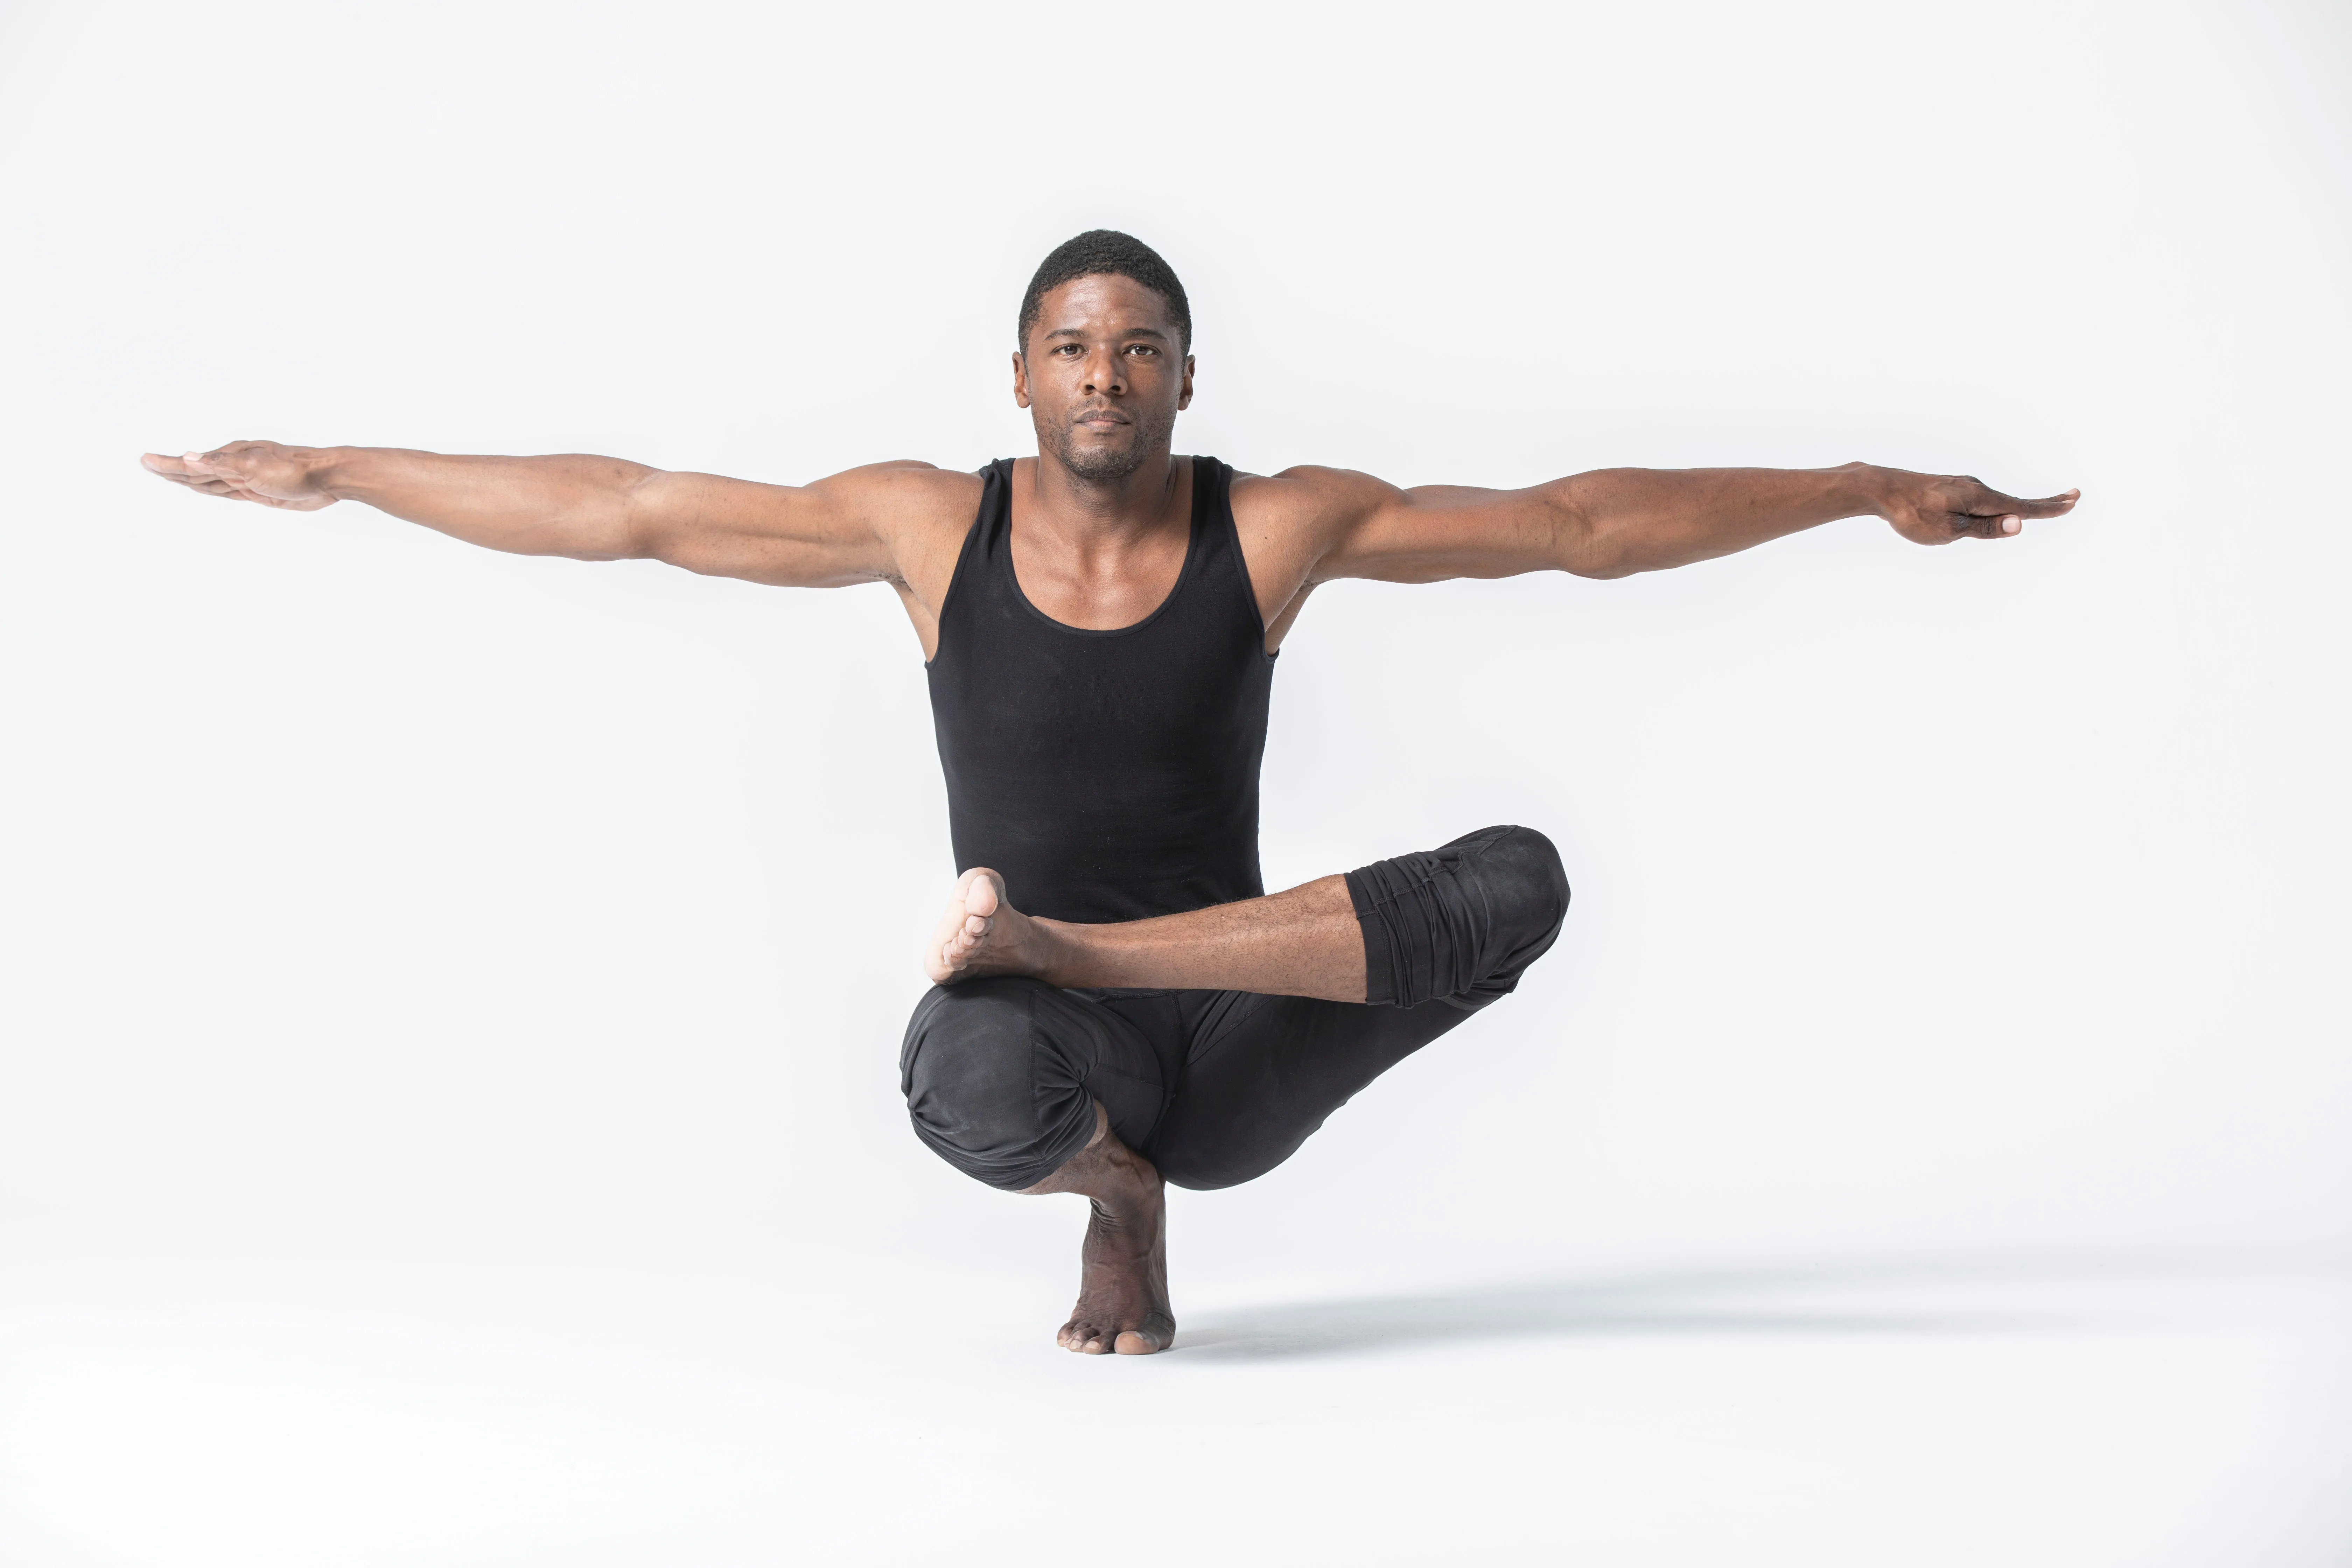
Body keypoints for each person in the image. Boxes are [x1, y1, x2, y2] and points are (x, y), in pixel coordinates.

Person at [141, 229, 2078, 1357]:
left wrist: (1860, 488)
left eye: (1138, 349)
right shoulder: (927, 529)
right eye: (1071, 348)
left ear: (1184, 377)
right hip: (1048, 1034)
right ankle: (1112, 1195)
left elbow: (1577, 526)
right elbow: (633, 507)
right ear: (1019, 376)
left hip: (1239, 1027)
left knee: (1520, 883)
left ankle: (1096, 996)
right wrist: (344, 470)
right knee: (960, 1078)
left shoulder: (1277, 525)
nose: (1104, 376)